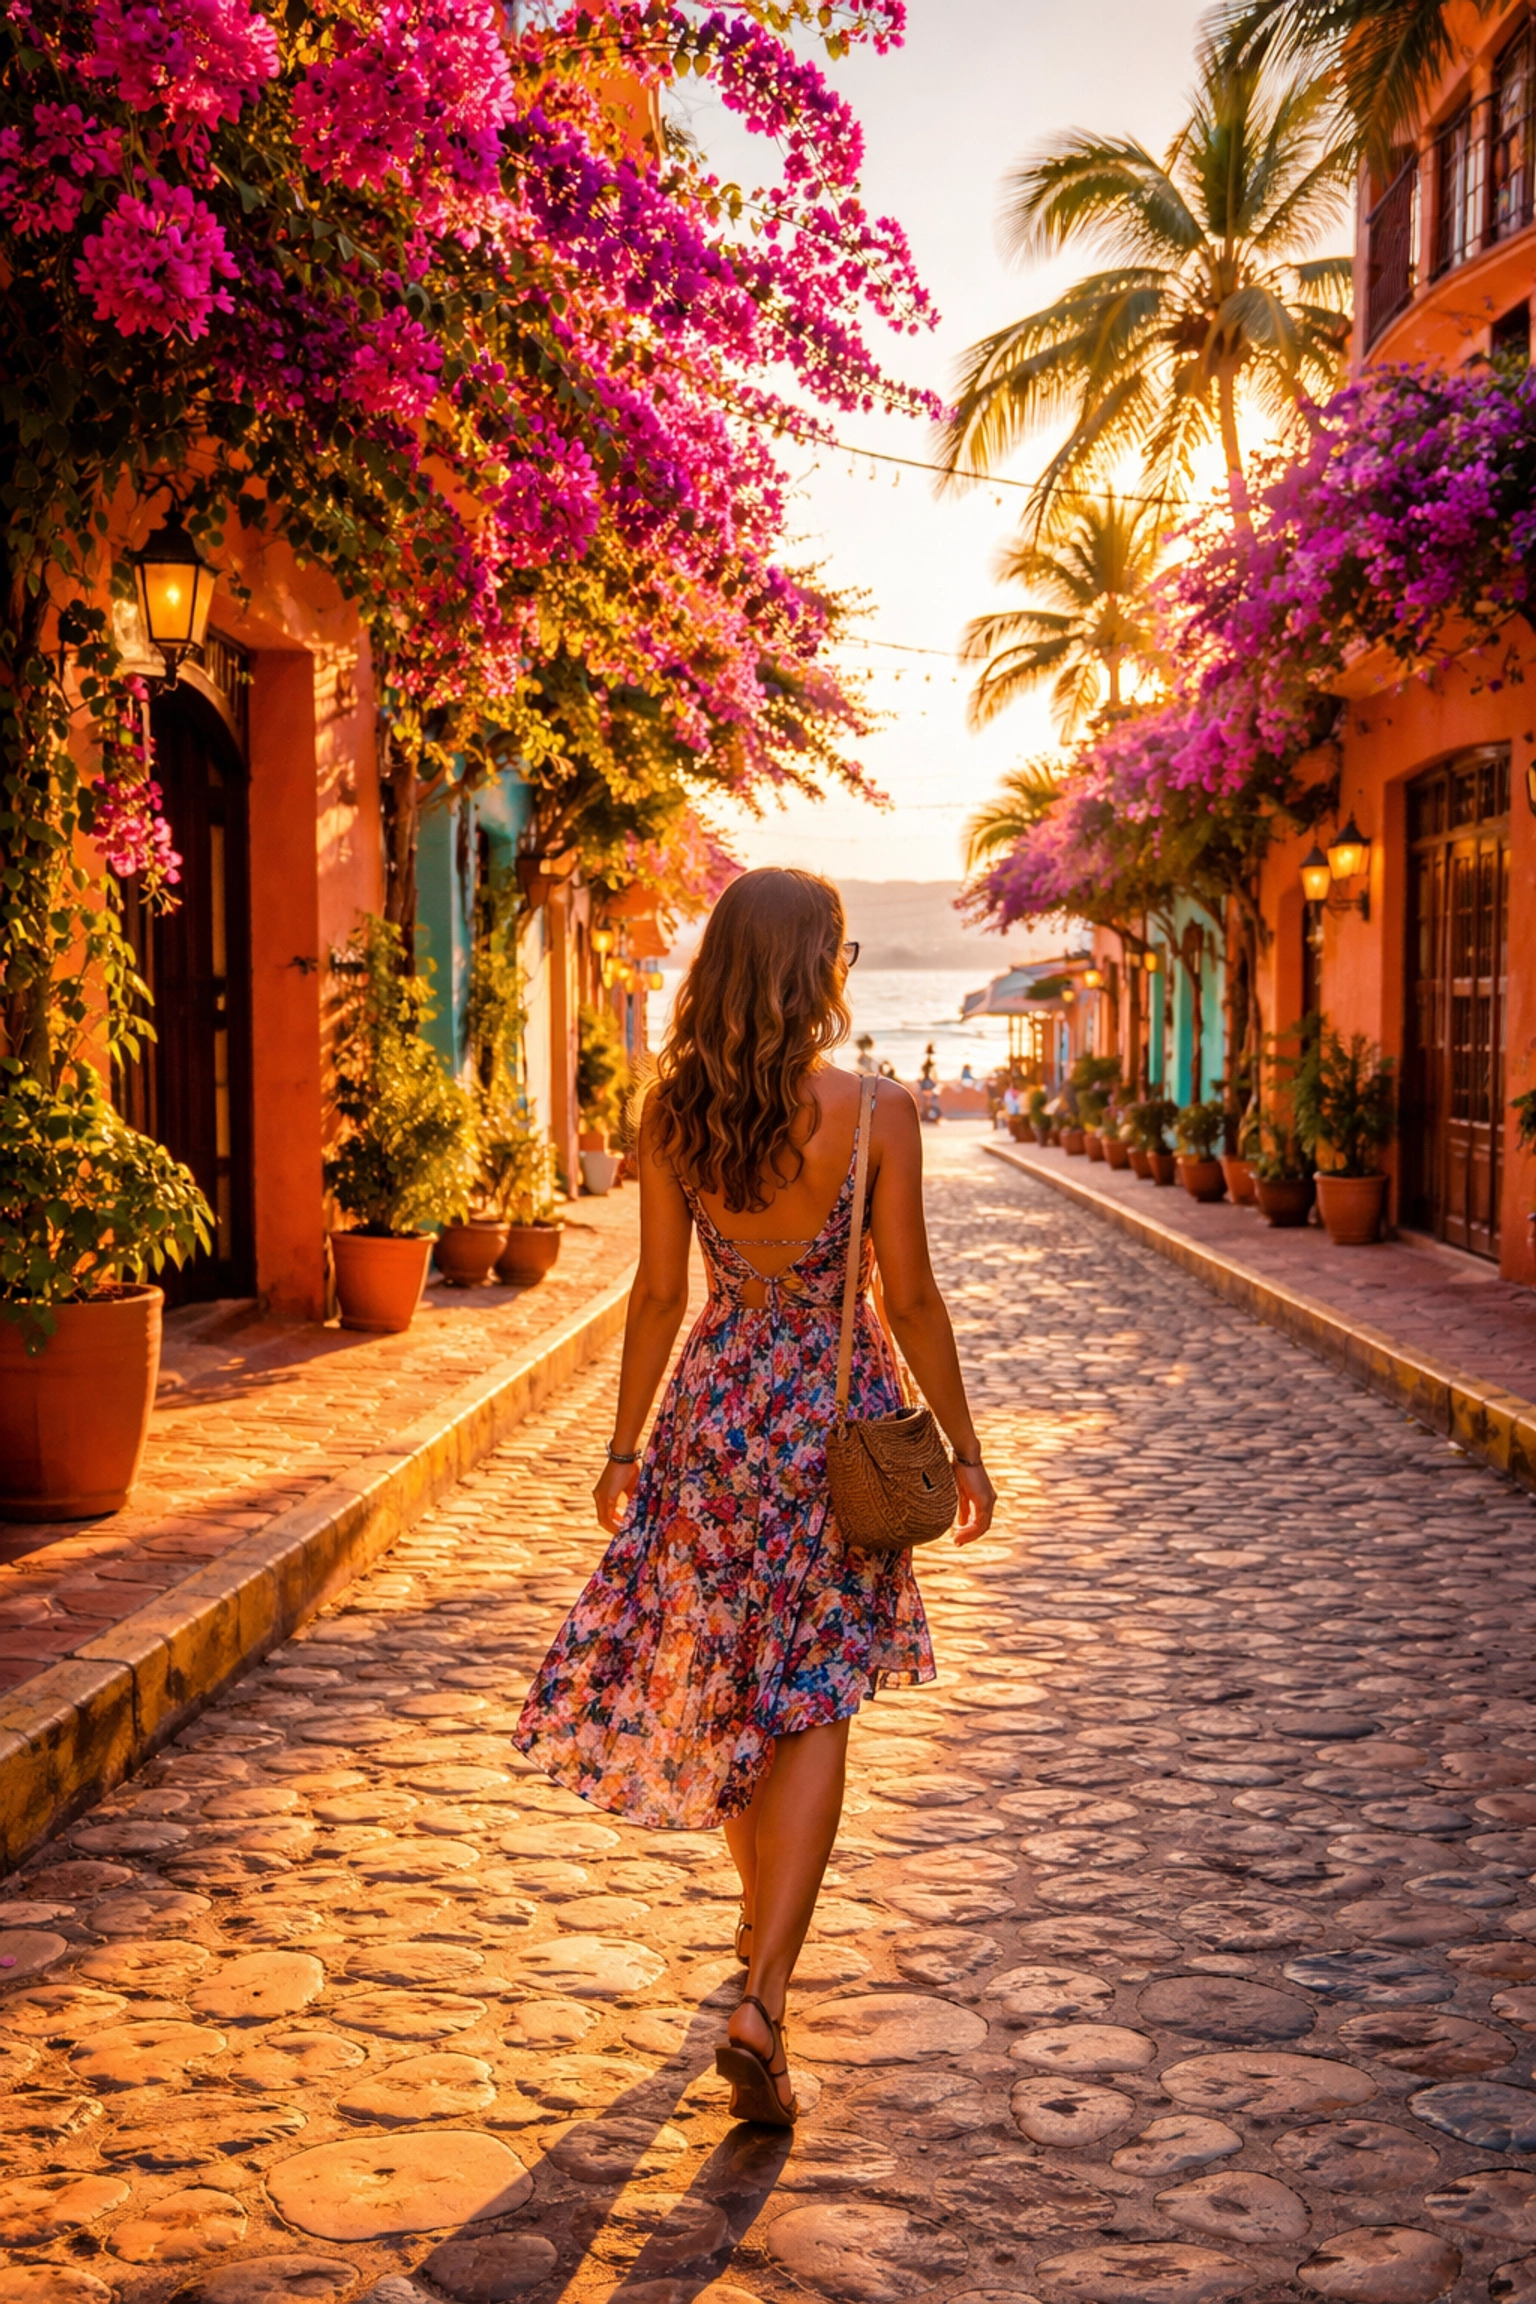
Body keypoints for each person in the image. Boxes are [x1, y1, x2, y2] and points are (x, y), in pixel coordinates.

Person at [515, 868, 996, 2128]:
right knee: (816, 1696)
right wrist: (965, 1444)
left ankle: (753, 1925)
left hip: (713, 1426)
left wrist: (624, 1447)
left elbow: (660, 1299)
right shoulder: (881, 1111)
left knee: (736, 1684)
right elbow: (913, 1299)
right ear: (822, 967)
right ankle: (766, 1992)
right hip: (833, 1434)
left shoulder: (672, 1111)